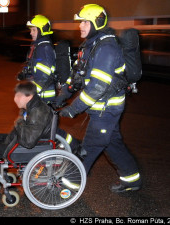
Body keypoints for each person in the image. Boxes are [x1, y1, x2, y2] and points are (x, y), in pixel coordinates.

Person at [59, 4, 142, 193]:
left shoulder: (106, 48)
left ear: (97, 23)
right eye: (81, 22)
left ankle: (69, 187)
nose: (80, 26)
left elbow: (97, 87)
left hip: (107, 109)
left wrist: (74, 108)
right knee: (112, 143)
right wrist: (63, 96)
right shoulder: (92, 44)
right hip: (101, 108)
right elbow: (78, 76)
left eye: (85, 22)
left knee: (90, 145)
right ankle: (132, 179)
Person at [0, 81, 81, 197]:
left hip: (31, 148)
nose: (15, 99)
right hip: (30, 141)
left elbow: (28, 142)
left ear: (28, 96)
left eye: (18, 96)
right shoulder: (32, 106)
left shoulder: (37, 112)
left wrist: (20, 122)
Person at [17, 15, 56, 104]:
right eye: (31, 30)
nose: (31, 33)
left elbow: (43, 76)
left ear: (42, 30)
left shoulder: (44, 48)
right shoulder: (38, 46)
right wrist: (25, 74)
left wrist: (29, 93)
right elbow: (35, 69)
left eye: (34, 30)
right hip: (38, 94)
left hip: (43, 96)